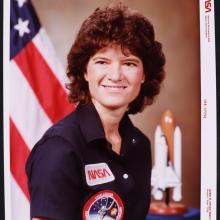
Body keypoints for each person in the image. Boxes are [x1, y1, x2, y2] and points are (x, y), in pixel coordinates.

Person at [26, 3, 165, 220]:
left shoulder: (140, 145)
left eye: (129, 63)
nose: (116, 75)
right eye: (102, 61)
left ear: (144, 75)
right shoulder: (59, 149)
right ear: (85, 71)